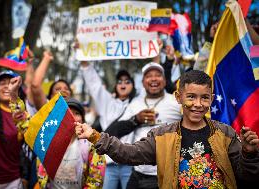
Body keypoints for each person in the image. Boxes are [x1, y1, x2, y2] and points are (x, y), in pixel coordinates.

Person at [75, 70, 259, 189]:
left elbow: (245, 177)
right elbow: (128, 154)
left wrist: (249, 154)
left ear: (211, 99)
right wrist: (95, 136)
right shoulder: (162, 136)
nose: (198, 104)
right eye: (191, 97)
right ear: (179, 98)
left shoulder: (226, 134)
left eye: (204, 98)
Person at [104, 62, 182, 189]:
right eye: (148, 76)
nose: (153, 79)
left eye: (158, 75)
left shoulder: (176, 102)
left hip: (168, 176)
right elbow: (112, 131)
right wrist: (136, 120)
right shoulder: (135, 103)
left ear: (164, 79)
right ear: (143, 81)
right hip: (138, 175)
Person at [80, 60, 137, 189]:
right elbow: (95, 85)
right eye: (120, 81)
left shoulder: (138, 104)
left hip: (129, 164)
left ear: (133, 85)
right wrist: (84, 63)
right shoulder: (107, 103)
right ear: (115, 86)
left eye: (127, 81)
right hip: (109, 163)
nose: (123, 84)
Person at [35, 98, 106, 189]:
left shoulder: (91, 145)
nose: (72, 117)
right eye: (68, 113)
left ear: (82, 119)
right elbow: (41, 171)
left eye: (77, 113)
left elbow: (96, 179)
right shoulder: (48, 143)